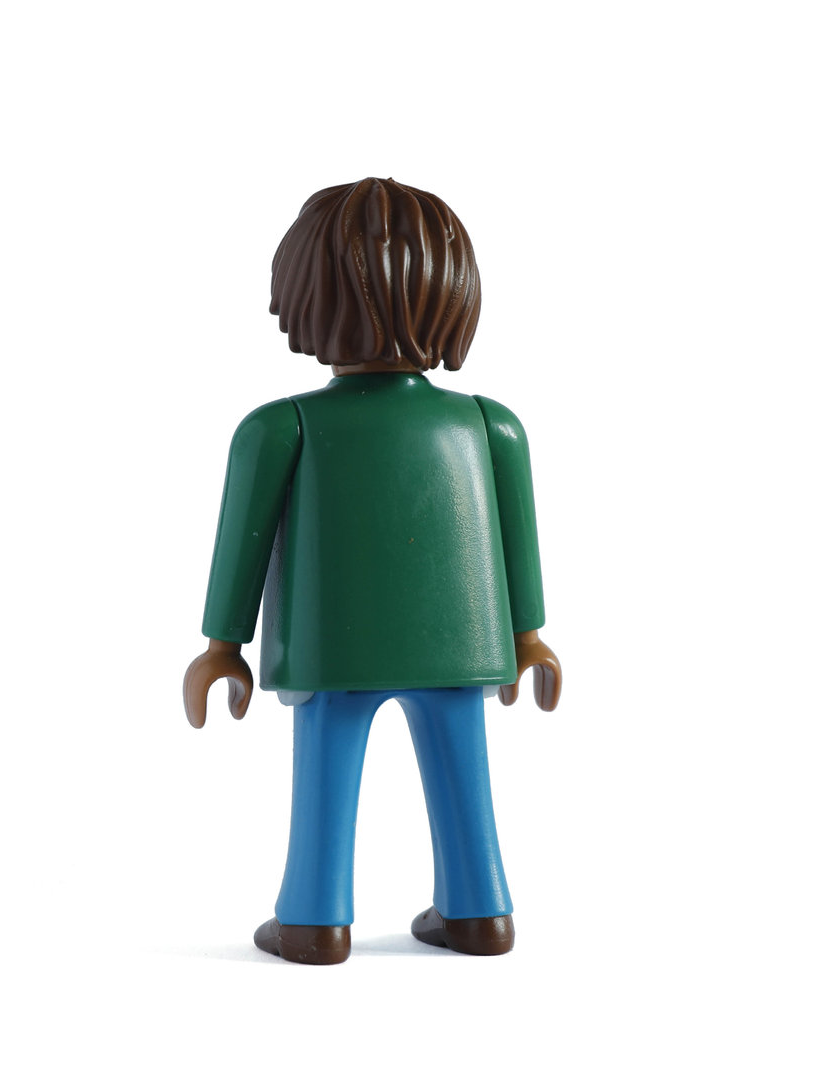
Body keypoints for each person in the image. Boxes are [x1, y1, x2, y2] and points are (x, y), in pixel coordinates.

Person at [183, 178, 561, 964]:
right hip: (461, 646)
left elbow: (241, 544)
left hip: (336, 649)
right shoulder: (489, 425)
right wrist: (528, 637)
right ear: (455, 294)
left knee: (326, 772)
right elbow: (518, 541)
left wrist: (223, 646)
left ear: (305, 298)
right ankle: (480, 911)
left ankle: (315, 921)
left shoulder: (281, 427)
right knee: (464, 775)